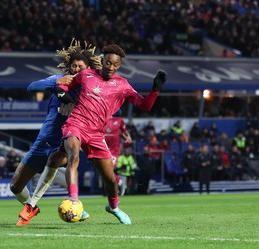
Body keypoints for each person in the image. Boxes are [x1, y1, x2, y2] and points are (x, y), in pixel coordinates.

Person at [35, 44, 166, 225]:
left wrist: (155, 91)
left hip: (96, 134)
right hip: (76, 124)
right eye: (107, 63)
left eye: (114, 64)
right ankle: (74, 201)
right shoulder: (86, 75)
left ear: (119, 65)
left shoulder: (123, 85)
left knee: (110, 180)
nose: (110, 67)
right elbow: (67, 86)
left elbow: (144, 106)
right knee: (73, 156)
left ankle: (113, 207)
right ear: (102, 61)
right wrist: (60, 92)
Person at [10, 39, 102, 226]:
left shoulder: (89, 89)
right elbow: (32, 87)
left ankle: (32, 206)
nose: (76, 69)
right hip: (44, 140)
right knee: (15, 186)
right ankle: (32, 206)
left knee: (55, 159)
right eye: (73, 65)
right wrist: (57, 83)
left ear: (88, 69)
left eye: (80, 66)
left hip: (67, 140)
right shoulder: (57, 80)